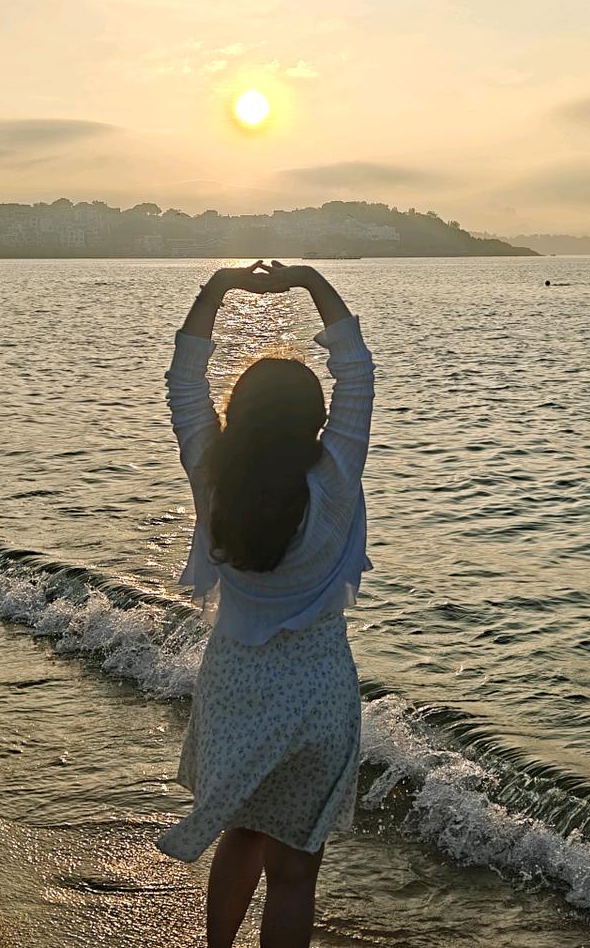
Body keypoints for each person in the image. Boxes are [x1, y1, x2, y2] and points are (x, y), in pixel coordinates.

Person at [157, 260, 375, 948]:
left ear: (237, 412)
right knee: (293, 873)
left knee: (241, 830)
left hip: (237, 683)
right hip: (315, 691)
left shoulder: (212, 474)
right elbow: (358, 371)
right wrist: (310, 281)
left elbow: (184, 381)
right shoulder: (334, 477)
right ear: (315, 420)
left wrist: (218, 289)